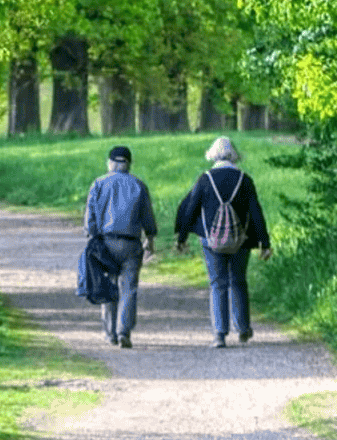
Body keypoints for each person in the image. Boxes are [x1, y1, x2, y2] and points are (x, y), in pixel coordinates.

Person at [173, 136, 272, 347]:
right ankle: (243, 329)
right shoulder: (245, 180)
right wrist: (265, 243)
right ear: (233, 155)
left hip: (212, 240)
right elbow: (256, 213)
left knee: (217, 284)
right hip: (241, 240)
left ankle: (219, 334)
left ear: (213, 155)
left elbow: (190, 209)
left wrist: (181, 238)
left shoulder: (205, 179)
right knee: (238, 281)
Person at [83, 144, 156, 348]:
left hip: (105, 242)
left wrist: (91, 235)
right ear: (129, 164)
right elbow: (147, 217)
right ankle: (124, 331)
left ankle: (110, 333)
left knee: (109, 286)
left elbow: (90, 217)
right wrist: (150, 238)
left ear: (110, 163)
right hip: (131, 244)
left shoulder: (99, 183)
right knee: (129, 288)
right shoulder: (139, 185)